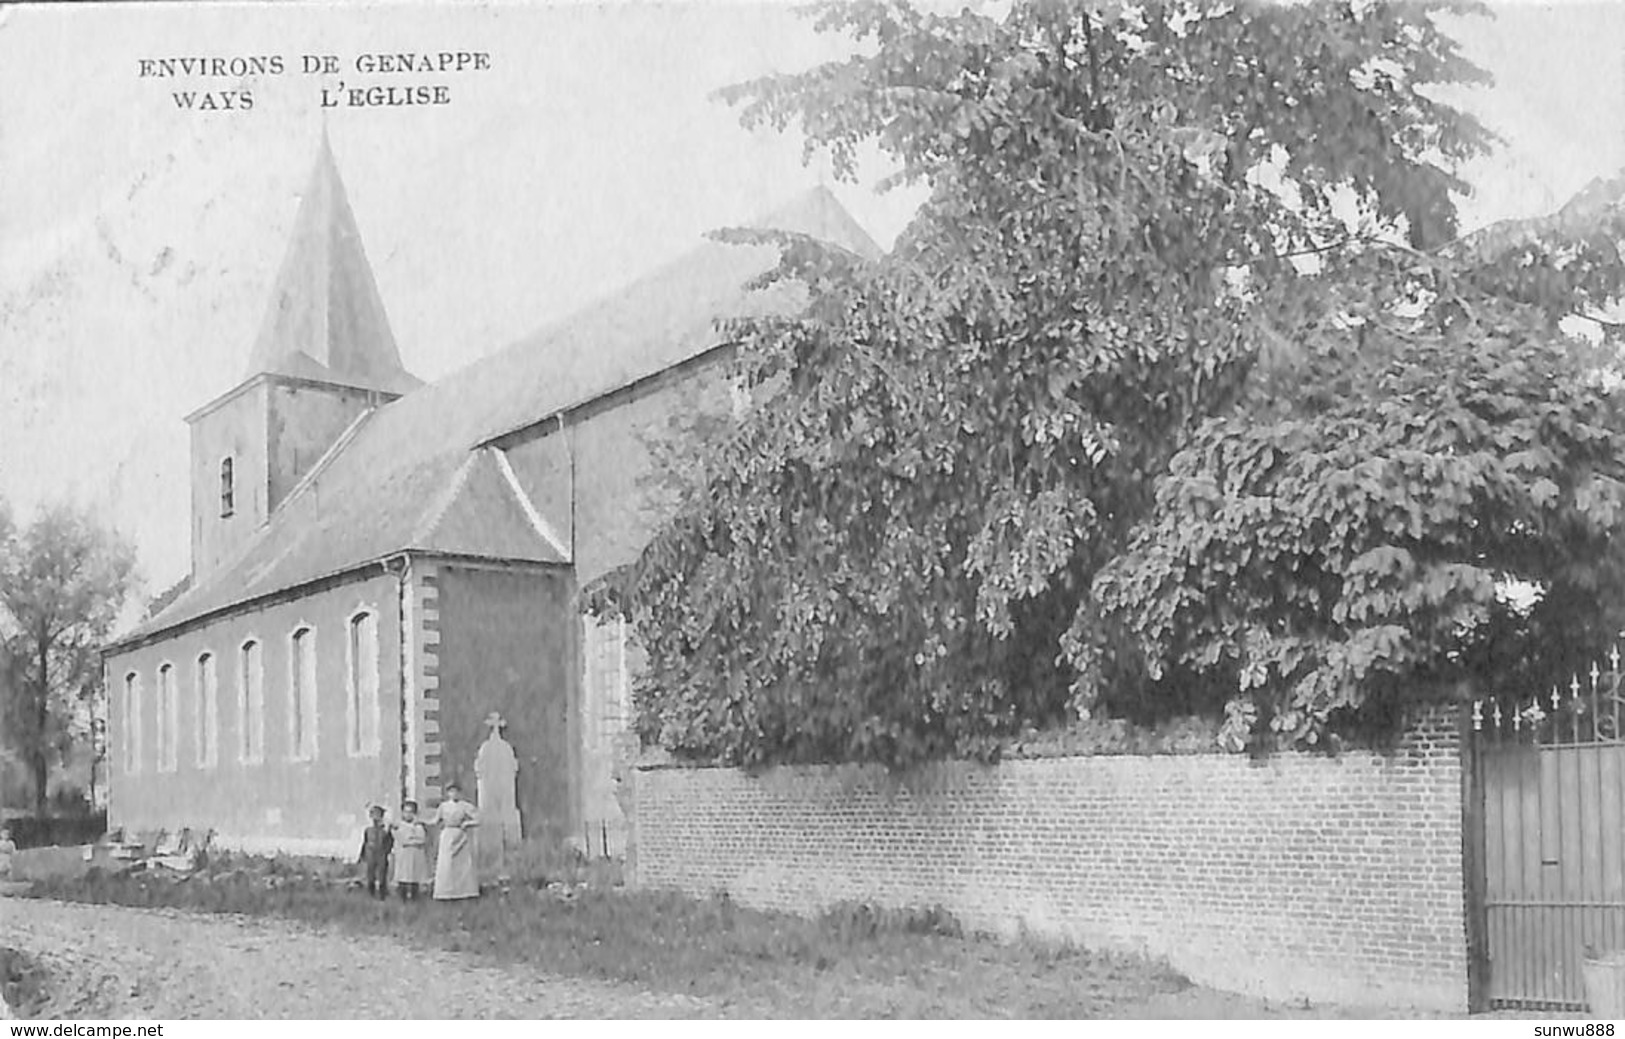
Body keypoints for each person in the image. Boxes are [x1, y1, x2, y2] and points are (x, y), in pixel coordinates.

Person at [432, 784, 479, 901]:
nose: (454, 794)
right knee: (446, 864)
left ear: (460, 793)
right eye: (451, 791)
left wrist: (467, 823)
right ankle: (445, 893)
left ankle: (464, 892)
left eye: (456, 791)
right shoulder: (443, 806)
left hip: (460, 835)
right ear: (448, 793)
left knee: (462, 865)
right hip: (447, 835)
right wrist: (420, 821)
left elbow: (478, 818)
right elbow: (435, 820)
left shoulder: (464, 806)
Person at [392, 800, 430, 901]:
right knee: (403, 877)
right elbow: (401, 839)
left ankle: (415, 898)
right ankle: (402, 899)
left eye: (410, 812)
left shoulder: (418, 826)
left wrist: (411, 840)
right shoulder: (399, 826)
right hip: (403, 855)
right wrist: (411, 840)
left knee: (414, 876)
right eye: (405, 812)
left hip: (415, 855)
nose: (408, 815)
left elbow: (422, 840)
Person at [357, 804, 393, 900]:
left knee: (382, 875)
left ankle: (382, 895)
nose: (375, 817)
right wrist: (362, 855)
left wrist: (387, 852)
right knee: (370, 874)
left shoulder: (385, 829)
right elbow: (365, 842)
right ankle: (371, 894)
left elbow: (389, 841)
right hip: (370, 854)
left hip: (381, 854)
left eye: (378, 814)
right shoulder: (368, 829)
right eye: (373, 814)